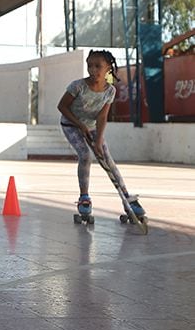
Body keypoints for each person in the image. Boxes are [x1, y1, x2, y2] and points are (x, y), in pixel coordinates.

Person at [57, 49, 145, 222]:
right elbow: (62, 107)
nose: (93, 70)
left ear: (108, 69)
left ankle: (127, 198)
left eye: (98, 66)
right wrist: (80, 125)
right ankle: (84, 198)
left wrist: (98, 140)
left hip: (92, 128)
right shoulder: (77, 86)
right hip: (71, 125)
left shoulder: (110, 91)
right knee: (85, 155)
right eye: (90, 66)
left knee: (107, 159)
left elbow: (102, 117)